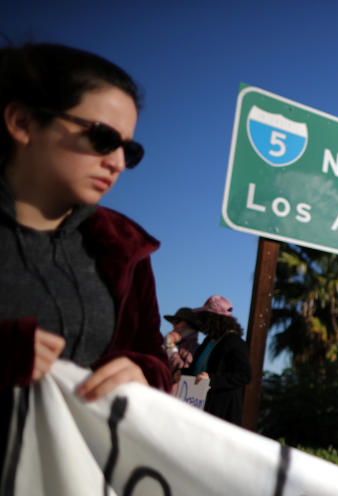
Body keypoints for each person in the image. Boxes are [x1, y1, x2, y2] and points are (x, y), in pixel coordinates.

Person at [1, 43, 169, 466]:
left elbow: (151, 357)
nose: (115, 162)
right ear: (22, 122)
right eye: (102, 138)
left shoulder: (125, 246)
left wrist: (143, 374)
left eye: (129, 150)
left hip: (70, 494)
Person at [183, 296, 251, 426]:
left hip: (220, 413)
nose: (201, 322)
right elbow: (198, 369)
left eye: (205, 318)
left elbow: (244, 375)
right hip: (198, 406)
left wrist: (212, 380)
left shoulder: (235, 342)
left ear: (215, 319)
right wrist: (181, 373)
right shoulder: (208, 341)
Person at [162, 306, 200, 384]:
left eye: (177, 321)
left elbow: (184, 372)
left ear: (190, 325)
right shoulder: (175, 344)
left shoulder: (194, 348)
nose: (173, 325)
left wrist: (171, 349)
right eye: (173, 322)